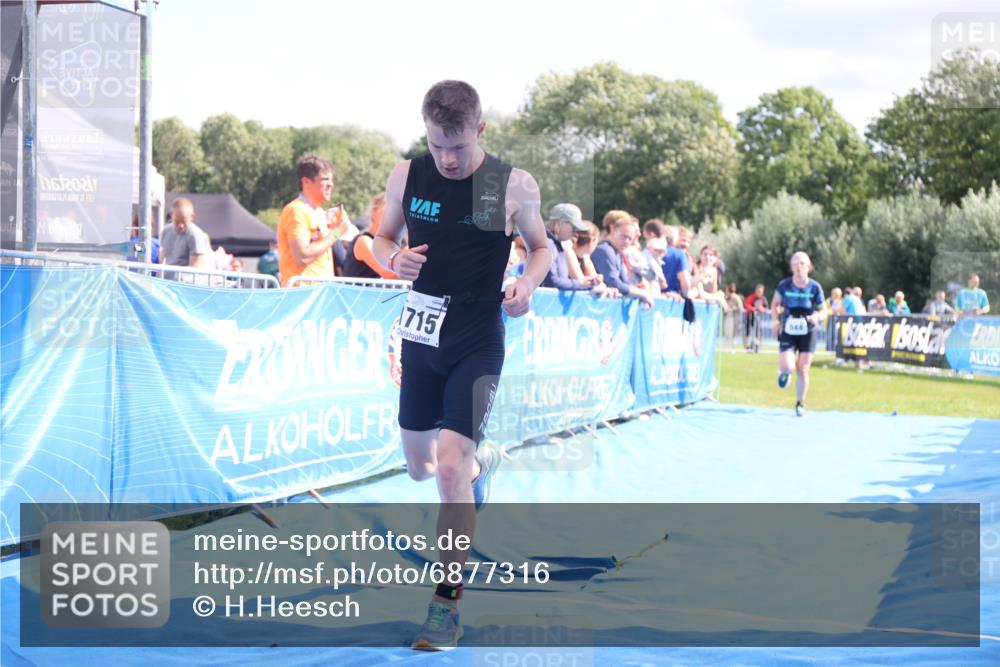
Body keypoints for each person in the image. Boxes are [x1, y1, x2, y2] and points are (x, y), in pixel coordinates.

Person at [370, 80, 551, 650]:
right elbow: (378, 239)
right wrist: (392, 258)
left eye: (458, 146)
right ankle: (477, 472)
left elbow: (542, 247)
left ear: (480, 130)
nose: (447, 159)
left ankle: (446, 605)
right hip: (422, 333)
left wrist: (526, 283)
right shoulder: (406, 175)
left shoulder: (512, 184)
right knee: (421, 468)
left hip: (478, 334)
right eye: (437, 145)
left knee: (448, 467)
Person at [277, 155, 349, 287]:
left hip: (318, 292)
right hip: (301, 293)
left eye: (331, 180)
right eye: (325, 179)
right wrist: (336, 232)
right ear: (306, 182)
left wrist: (332, 230)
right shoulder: (296, 210)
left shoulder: (319, 212)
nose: (331, 184)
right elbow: (302, 256)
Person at [771, 251, 825, 417]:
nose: (798, 266)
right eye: (795, 263)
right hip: (788, 329)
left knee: (803, 368)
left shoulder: (815, 287)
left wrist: (817, 317)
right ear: (791, 266)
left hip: (808, 331)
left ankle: (800, 403)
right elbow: (775, 304)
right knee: (789, 366)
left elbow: (824, 310)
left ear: (808, 266)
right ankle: (785, 372)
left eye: (802, 263)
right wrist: (775, 322)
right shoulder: (784, 285)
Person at [591, 211, 654, 307]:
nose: (627, 242)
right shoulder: (604, 250)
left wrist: (640, 292)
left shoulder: (617, 252)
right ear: (612, 229)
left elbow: (625, 283)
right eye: (624, 236)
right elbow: (613, 282)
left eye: (630, 239)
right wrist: (642, 294)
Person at [541, 203, 601, 291]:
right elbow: (551, 282)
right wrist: (580, 284)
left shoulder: (556, 245)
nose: (575, 233)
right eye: (573, 227)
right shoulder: (548, 244)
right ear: (560, 223)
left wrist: (585, 283)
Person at [342, 192, 399, 279]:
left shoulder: (389, 244)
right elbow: (390, 275)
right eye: (387, 210)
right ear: (374, 212)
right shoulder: (364, 241)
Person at [160, 198, 211, 269]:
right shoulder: (166, 231)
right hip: (167, 274)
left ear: (192, 216)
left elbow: (195, 268)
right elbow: (162, 257)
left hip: (186, 275)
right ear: (171, 215)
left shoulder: (195, 235)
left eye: (184, 221)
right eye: (177, 221)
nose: (181, 225)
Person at [660, 225, 691, 301]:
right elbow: (685, 284)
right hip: (672, 299)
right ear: (674, 238)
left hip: (652, 297)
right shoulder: (679, 254)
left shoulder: (650, 252)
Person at [743, 283, 767, 351]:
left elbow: (766, 308)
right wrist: (755, 309)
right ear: (756, 291)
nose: (760, 293)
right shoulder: (751, 297)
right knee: (749, 331)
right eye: (759, 291)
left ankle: (756, 345)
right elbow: (746, 305)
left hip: (758, 318)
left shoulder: (763, 299)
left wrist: (762, 309)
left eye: (761, 291)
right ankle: (748, 346)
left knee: (757, 332)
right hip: (749, 317)